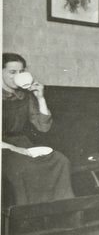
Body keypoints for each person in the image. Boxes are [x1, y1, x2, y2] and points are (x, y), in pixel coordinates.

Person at [1, 52, 74, 205]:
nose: (17, 76)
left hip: (21, 143)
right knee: (23, 168)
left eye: (21, 71)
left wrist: (40, 97)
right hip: (3, 147)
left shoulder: (25, 96)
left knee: (60, 160)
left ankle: (61, 211)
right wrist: (14, 149)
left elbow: (43, 126)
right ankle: (27, 214)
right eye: (12, 72)